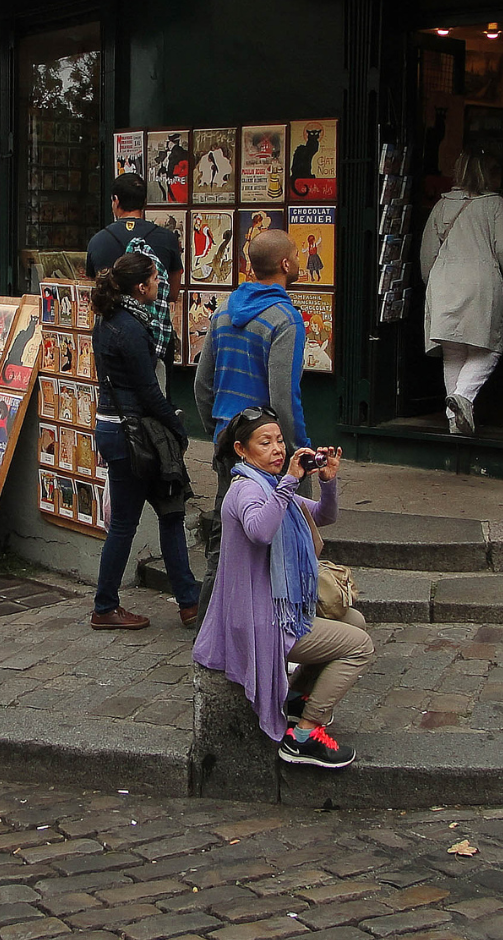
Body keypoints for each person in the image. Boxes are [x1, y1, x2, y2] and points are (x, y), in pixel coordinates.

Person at [192, 407, 367, 769]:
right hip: (261, 621)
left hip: (279, 609)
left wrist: (329, 482)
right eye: (265, 442)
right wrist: (289, 481)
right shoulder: (245, 490)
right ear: (242, 450)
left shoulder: (271, 485)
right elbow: (260, 530)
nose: (278, 449)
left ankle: (300, 698)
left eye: (280, 441)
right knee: (360, 647)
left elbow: (323, 515)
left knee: (356, 622)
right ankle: (304, 736)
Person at [193, 228, 310, 582]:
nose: (301, 259)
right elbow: (283, 396)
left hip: (229, 437)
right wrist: (297, 448)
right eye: (298, 254)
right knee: (282, 540)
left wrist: (218, 432)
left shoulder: (224, 312)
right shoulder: (284, 319)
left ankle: (208, 628)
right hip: (267, 446)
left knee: (225, 539)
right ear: (286, 263)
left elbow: (202, 384)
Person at [88, 252, 198, 630]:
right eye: (154, 279)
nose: (158, 285)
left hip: (119, 428)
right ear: (140, 287)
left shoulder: (109, 320)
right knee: (136, 520)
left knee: (168, 511)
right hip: (132, 433)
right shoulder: (130, 328)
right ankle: (106, 605)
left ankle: (188, 601)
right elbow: (149, 390)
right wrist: (178, 427)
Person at [418, 150, 503, 436]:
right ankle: (463, 397)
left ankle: (455, 423)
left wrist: (432, 282)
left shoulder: (441, 206)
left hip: (443, 281)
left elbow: (427, 253)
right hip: (480, 282)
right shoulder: (495, 205)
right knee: (488, 348)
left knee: (453, 351)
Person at [86, 172, 183, 386]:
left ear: (116, 201)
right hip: (156, 336)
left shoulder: (98, 241)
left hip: (111, 337)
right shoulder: (167, 239)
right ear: (145, 202)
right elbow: (173, 293)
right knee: (158, 396)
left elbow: (93, 291)